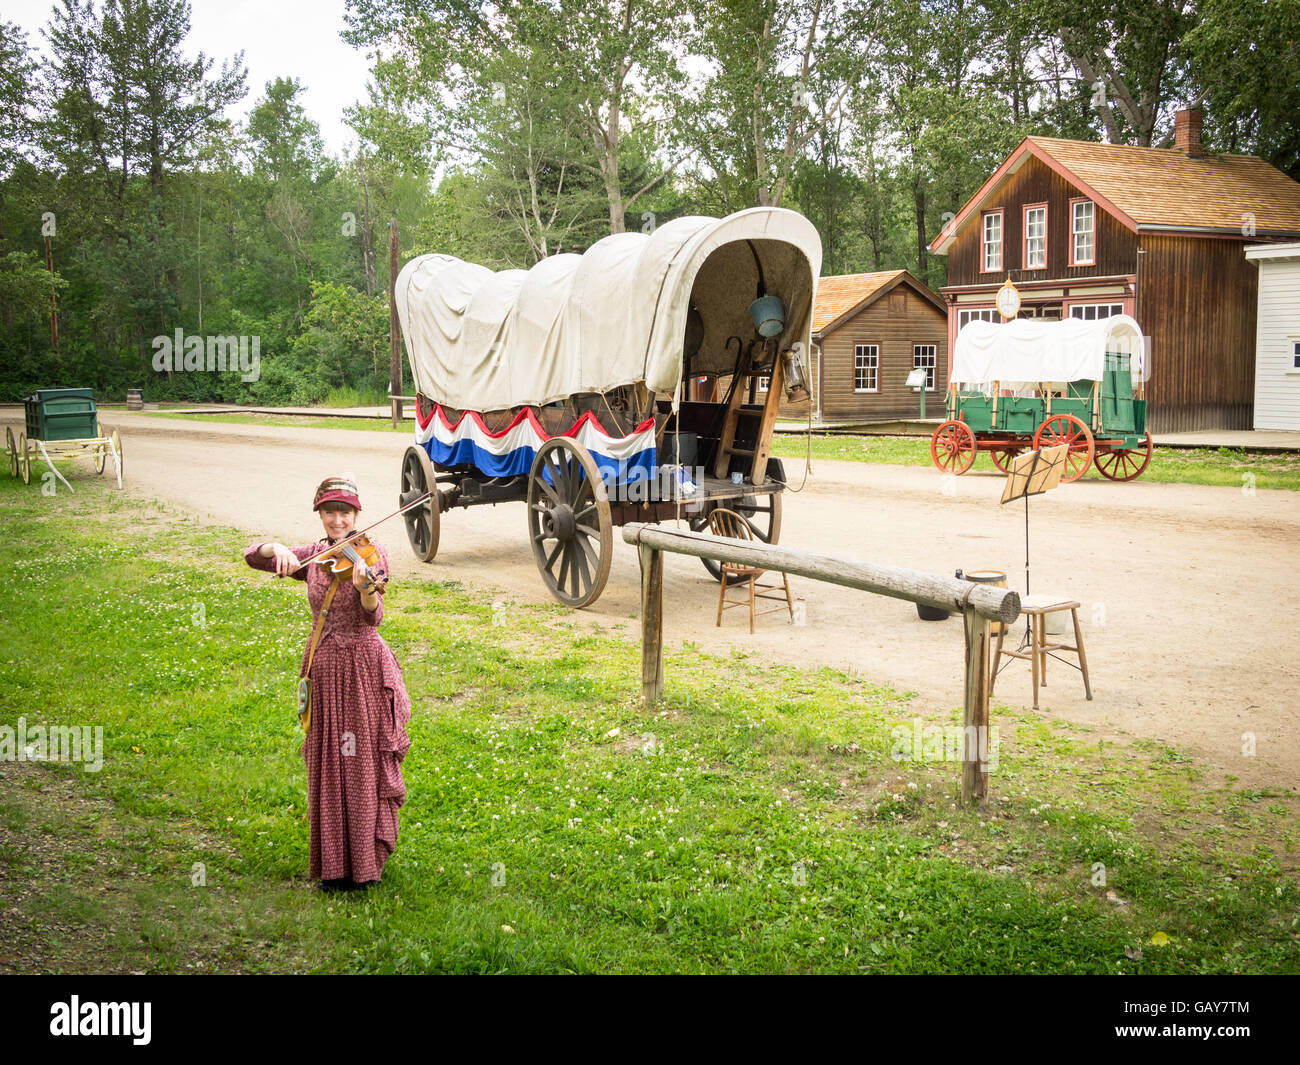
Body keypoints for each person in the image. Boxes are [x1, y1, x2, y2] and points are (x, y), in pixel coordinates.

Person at [243, 475, 412, 891]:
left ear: (356, 515)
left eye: (346, 512)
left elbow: (374, 616)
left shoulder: (371, 555)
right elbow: (253, 556)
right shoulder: (316, 555)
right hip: (323, 668)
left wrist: (366, 590)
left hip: (361, 670)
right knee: (327, 763)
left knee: (358, 763)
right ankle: (334, 865)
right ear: (319, 514)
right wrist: (276, 549)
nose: (338, 520)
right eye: (330, 511)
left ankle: (364, 864)